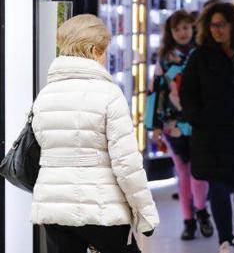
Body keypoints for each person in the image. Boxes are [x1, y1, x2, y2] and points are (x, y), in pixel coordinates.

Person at [31, 14, 159, 253]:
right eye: (104, 51)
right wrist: (146, 213)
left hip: (55, 209)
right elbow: (127, 163)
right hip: (103, 210)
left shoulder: (45, 95)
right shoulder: (109, 94)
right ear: (92, 51)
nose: (105, 58)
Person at [180, 2, 234, 253]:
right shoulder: (200, 56)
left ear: (233, 25)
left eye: (221, 25)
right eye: (212, 25)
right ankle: (225, 240)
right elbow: (188, 93)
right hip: (212, 135)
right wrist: (197, 117)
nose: (216, 30)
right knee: (217, 188)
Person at [149, 10, 214, 240]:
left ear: (193, 28)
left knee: (198, 171)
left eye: (186, 27)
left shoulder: (203, 53)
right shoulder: (165, 58)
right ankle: (189, 219)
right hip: (172, 124)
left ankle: (202, 212)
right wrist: (153, 126)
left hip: (198, 123)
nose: (182, 33)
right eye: (177, 29)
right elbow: (156, 92)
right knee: (183, 172)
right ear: (170, 32)